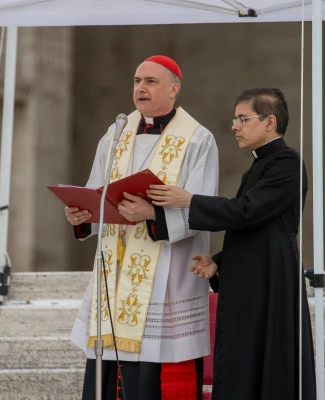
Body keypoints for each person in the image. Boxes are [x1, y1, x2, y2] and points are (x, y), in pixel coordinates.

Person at [147, 87, 317, 400]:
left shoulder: (287, 163)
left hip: (270, 282)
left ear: (269, 122)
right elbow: (252, 230)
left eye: (242, 118)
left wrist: (190, 201)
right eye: (234, 119)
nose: (234, 126)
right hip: (251, 280)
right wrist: (218, 263)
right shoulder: (259, 165)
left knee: (265, 367)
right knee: (243, 363)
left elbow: (248, 212)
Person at [66, 55, 219, 400]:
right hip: (115, 273)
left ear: (174, 89)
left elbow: (204, 207)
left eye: (150, 81)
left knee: (150, 375)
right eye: (137, 81)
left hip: (167, 274)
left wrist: (152, 213)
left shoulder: (197, 140)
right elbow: (96, 189)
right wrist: (82, 216)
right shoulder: (117, 131)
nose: (140, 88)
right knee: (108, 370)